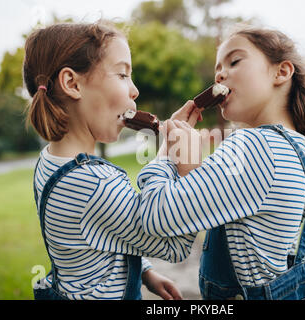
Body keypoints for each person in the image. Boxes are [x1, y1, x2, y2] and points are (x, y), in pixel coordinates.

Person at [137, 26, 305, 300]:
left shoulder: (254, 147)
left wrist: (167, 152)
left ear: (282, 72)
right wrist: (189, 162)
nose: (219, 74)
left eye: (235, 61)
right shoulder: (290, 149)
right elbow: (206, 204)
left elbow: (157, 217)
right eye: (218, 68)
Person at [23, 21, 202, 300]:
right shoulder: (96, 183)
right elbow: (174, 245)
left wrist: (143, 271)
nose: (135, 91)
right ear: (73, 83)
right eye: (122, 75)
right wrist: (185, 166)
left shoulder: (50, 161)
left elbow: (99, 235)